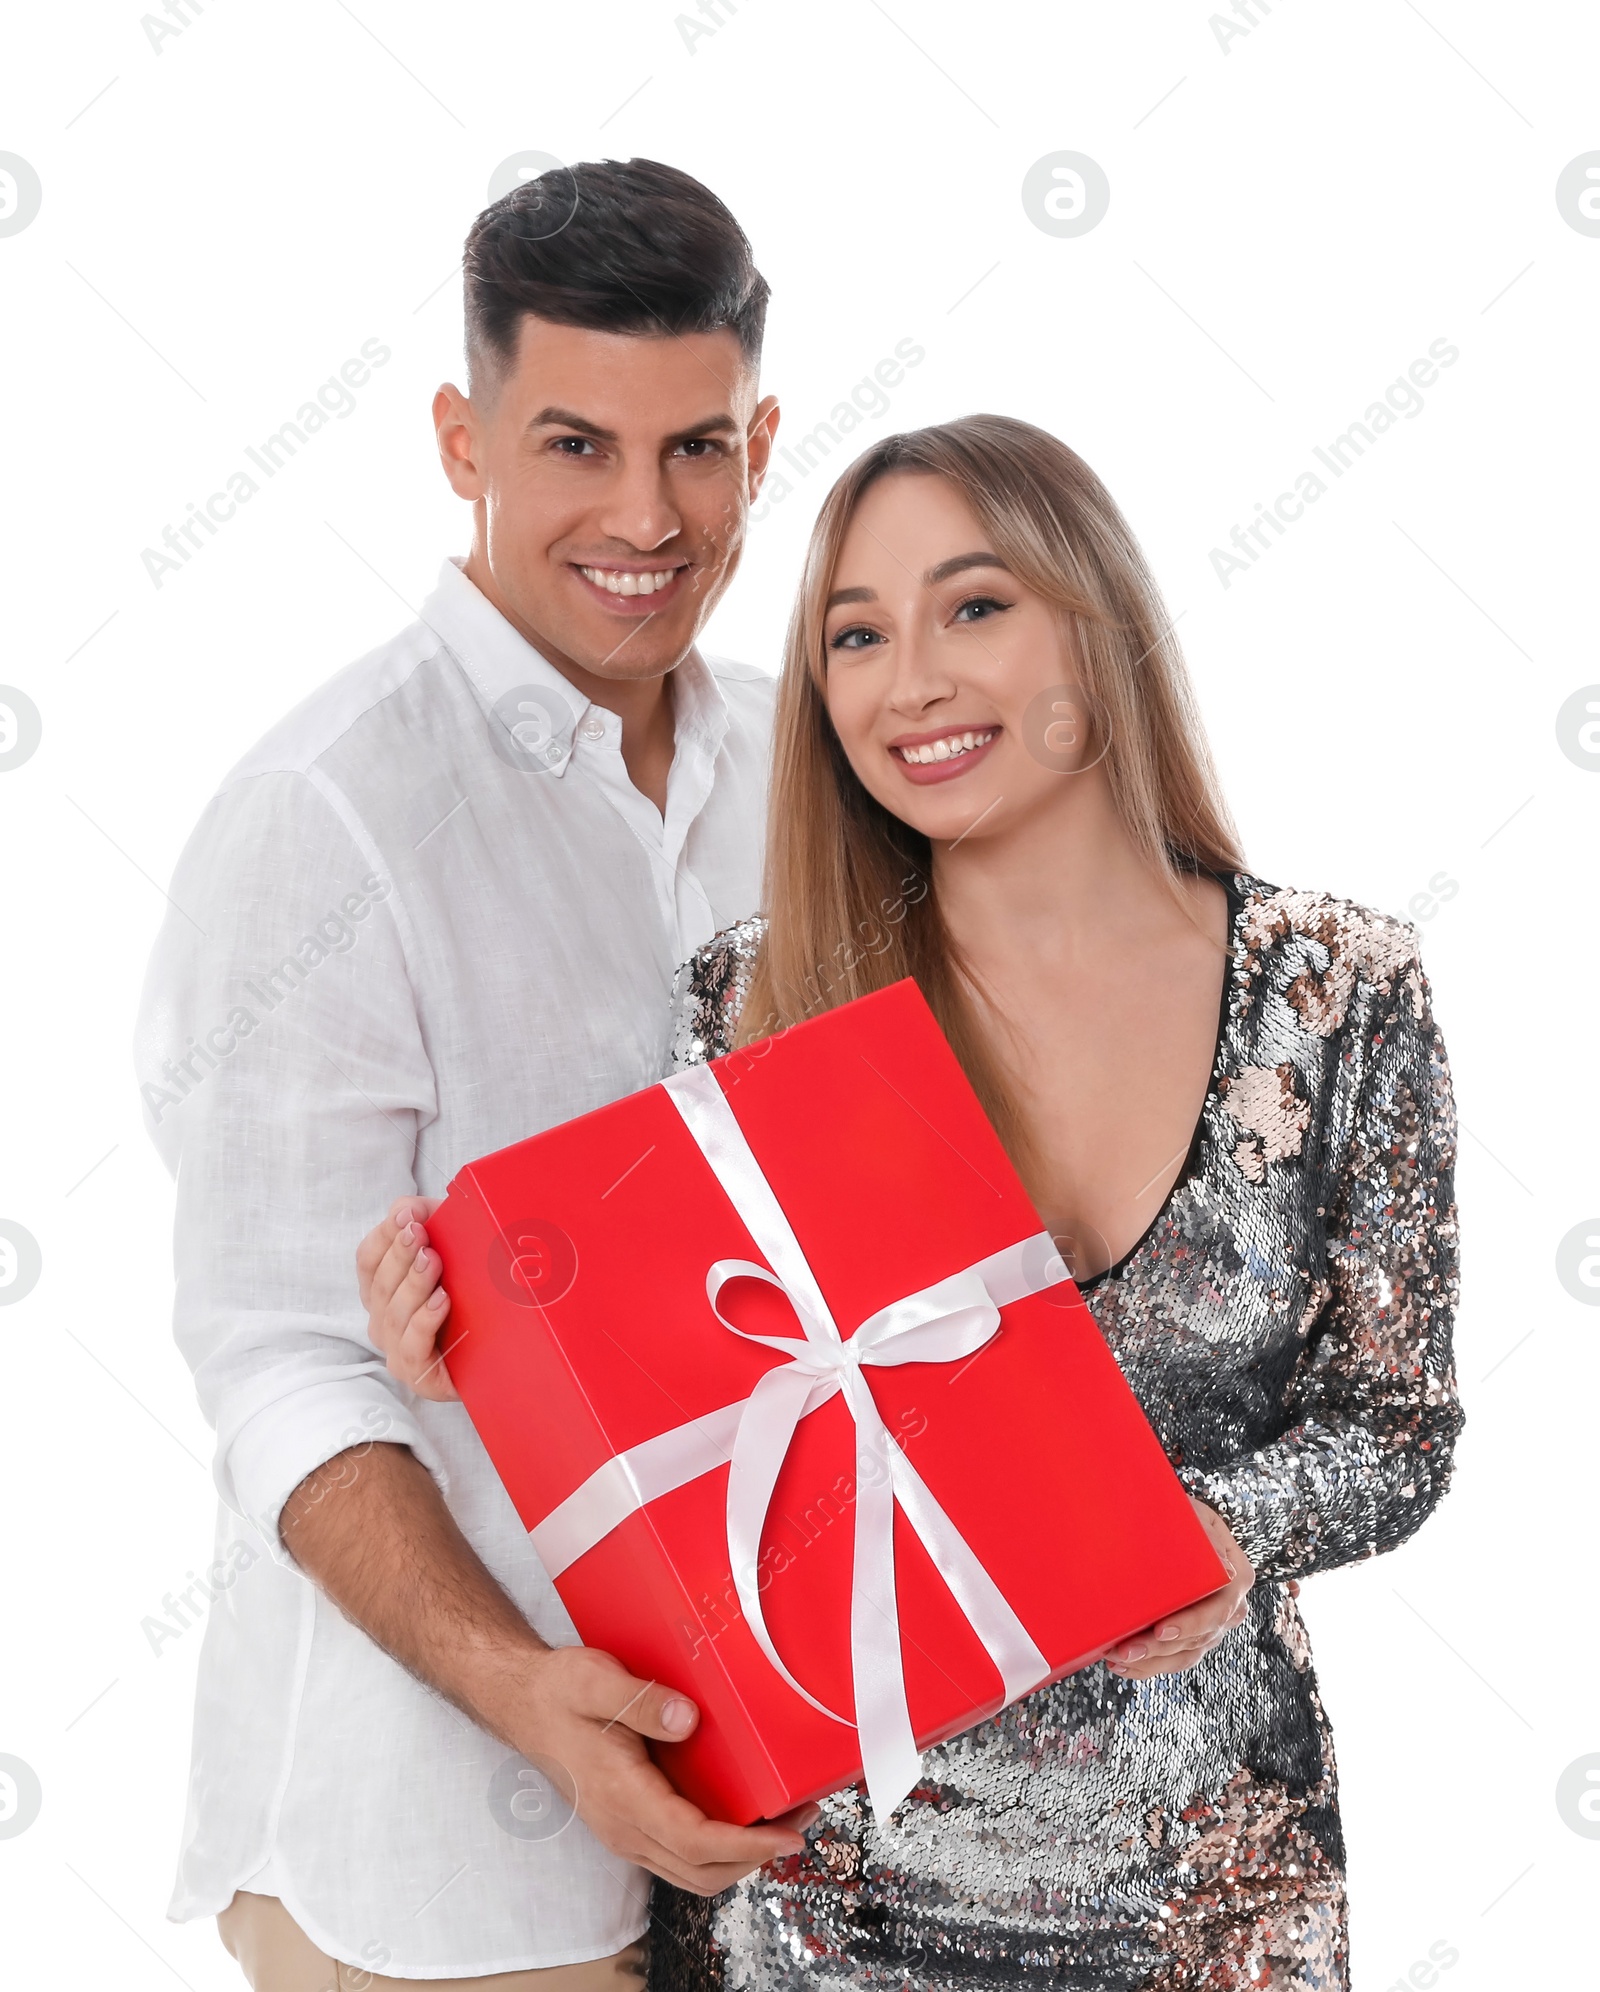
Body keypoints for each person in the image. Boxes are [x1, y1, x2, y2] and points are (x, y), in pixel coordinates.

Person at [364, 415, 1463, 1991]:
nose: (910, 682)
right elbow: (678, 1423)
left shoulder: (1339, 994)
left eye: (975, 607)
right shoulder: (756, 1002)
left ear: (1099, 626)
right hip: (826, 1897)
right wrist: (463, 1341)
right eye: (855, 637)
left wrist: (1224, 1528)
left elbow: (1399, 1430)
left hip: (1209, 1899)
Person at [136, 157, 813, 1992]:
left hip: (766, 1805)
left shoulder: (803, 773)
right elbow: (278, 1357)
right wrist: (522, 1694)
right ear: (463, 437)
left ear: (764, 444)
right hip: (431, 1855)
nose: (647, 516)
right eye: (576, 444)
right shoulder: (328, 814)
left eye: (699, 449)